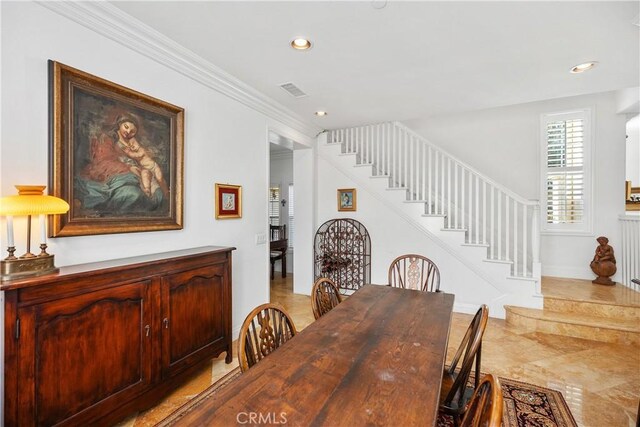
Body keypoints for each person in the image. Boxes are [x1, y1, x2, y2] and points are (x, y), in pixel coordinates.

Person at [76, 113, 167, 215]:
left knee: (158, 195)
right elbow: (103, 161)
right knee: (132, 194)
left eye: (132, 131)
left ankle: (147, 190)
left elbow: (140, 159)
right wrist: (130, 168)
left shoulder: (133, 143)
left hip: (139, 174)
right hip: (117, 175)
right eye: (126, 127)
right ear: (119, 124)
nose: (128, 132)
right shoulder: (106, 139)